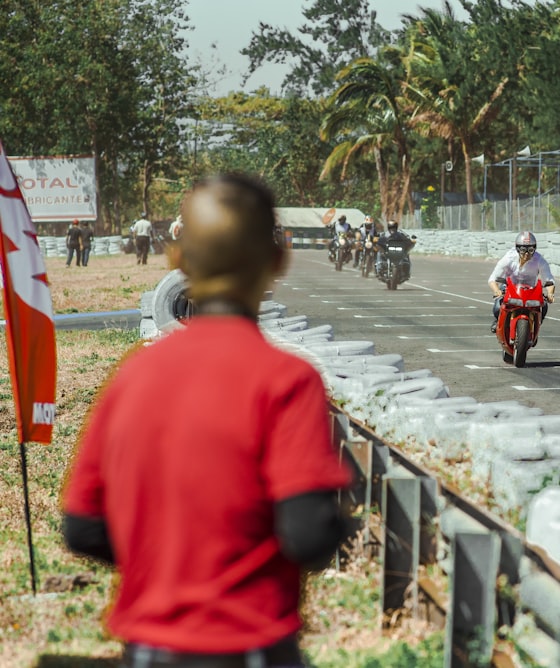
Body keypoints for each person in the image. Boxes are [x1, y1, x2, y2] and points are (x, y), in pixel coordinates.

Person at [61, 173, 356, 668]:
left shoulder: (133, 374)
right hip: (253, 645)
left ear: (177, 260)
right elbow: (307, 536)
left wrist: (168, 562)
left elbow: (82, 528)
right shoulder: (287, 380)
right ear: (278, 260)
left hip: (148, 649)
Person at [487, 231, 556, 334]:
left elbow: (549, 279)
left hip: (531, 291)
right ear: (517, 248)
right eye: (523, 250)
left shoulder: (539, 260)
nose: (527, 254)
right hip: (509, 288)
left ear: (535, 249)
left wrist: (550, 293)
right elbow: (493, 278)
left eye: (531, 250)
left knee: (544, 306)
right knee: (498, 306)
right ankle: (498, 321)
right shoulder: (508, 258)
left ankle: (535, 326)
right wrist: (496, 290)